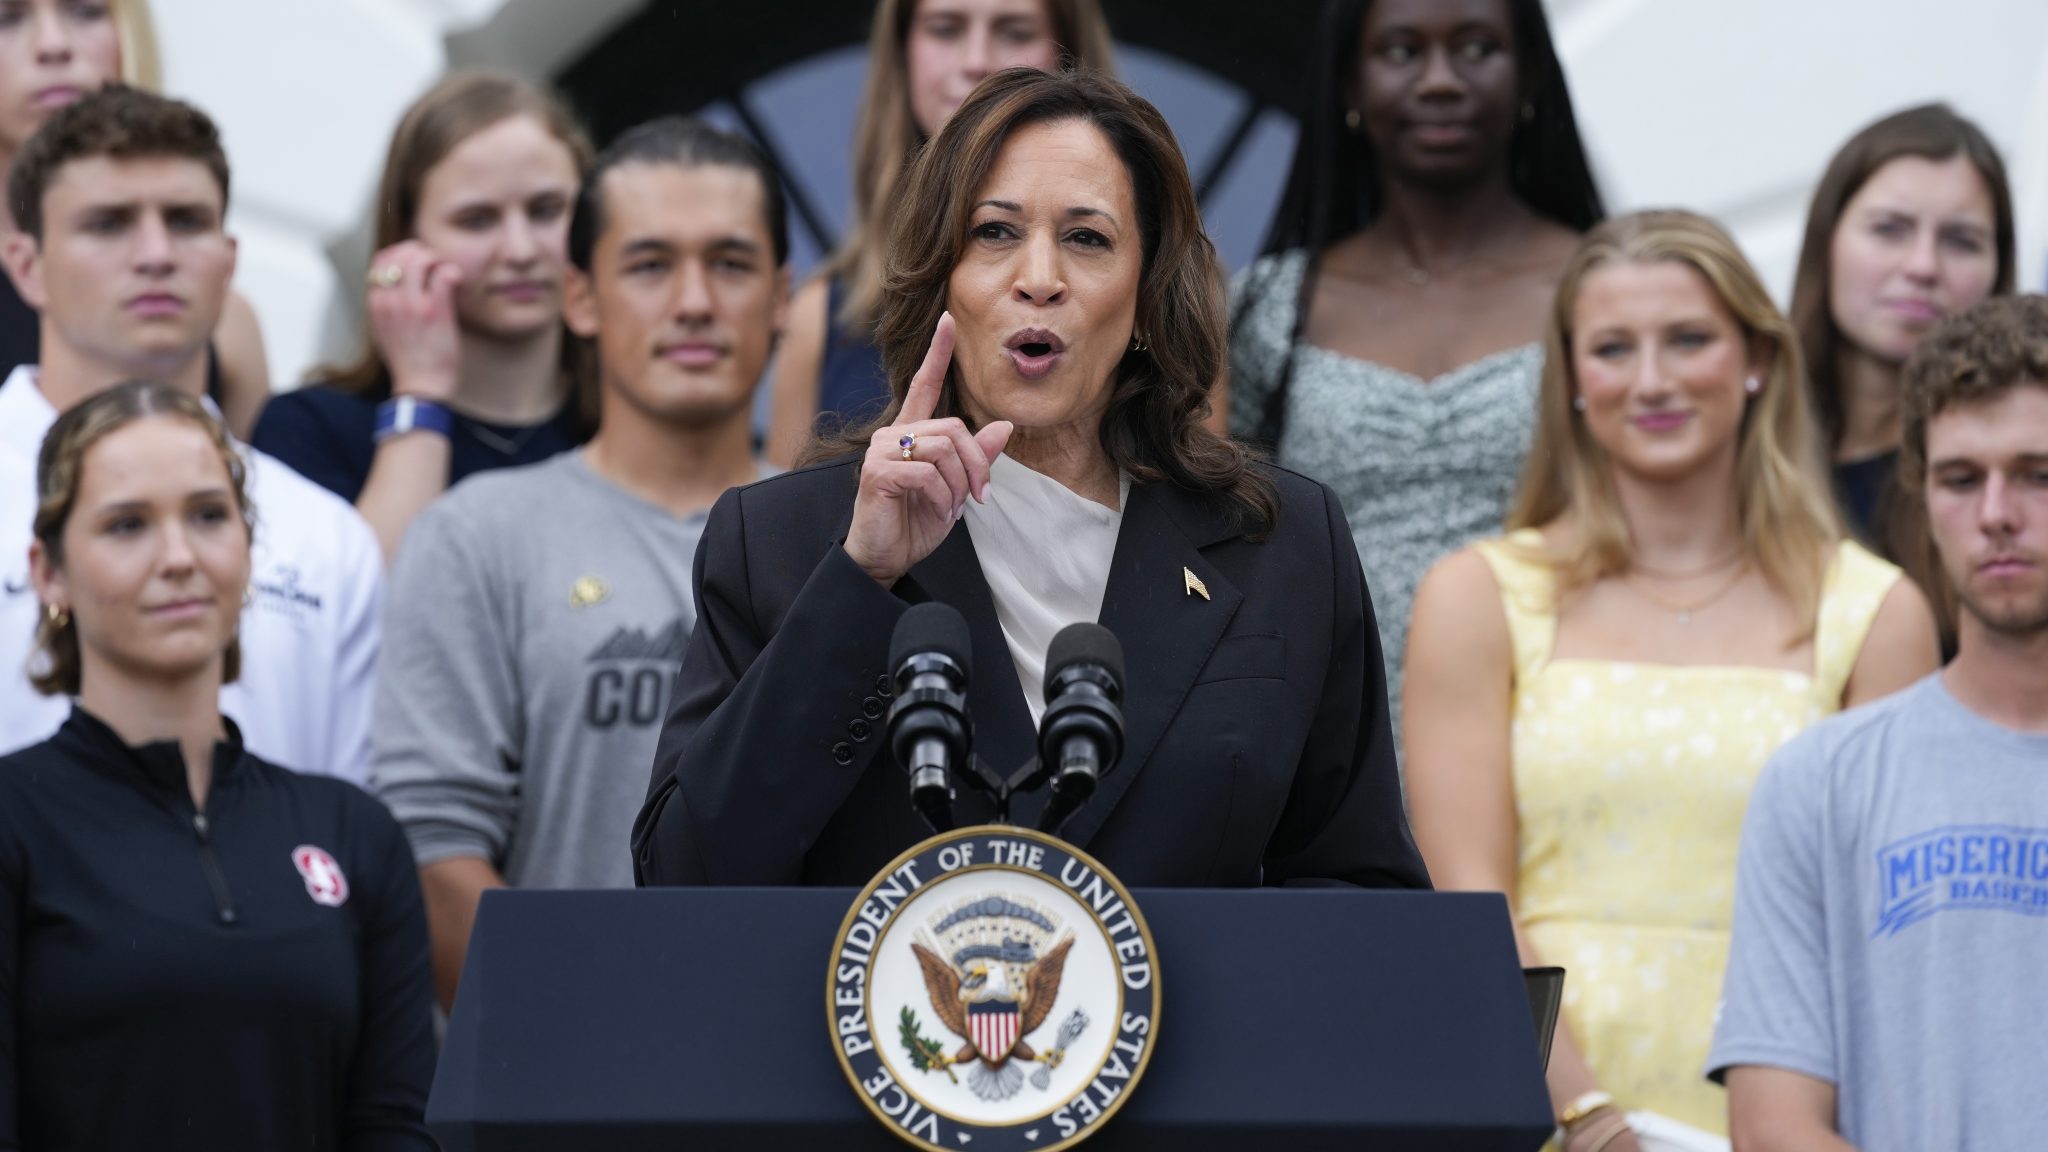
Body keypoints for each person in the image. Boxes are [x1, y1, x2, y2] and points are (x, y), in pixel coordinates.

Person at [634, 67, 1428, 892]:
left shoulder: (1283, 540)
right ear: (940, 277)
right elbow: (684, 878)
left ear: (1149, 294)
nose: (1039, 276)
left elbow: (1360, 892)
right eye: (995, 233)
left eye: (1087, 238)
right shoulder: (780, 542)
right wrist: (859, 580)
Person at [1404, 210, 1938, 1148]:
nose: (1652, 380)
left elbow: (1889, 938)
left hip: (1795, 1116)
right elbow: (1467, 898)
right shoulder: (1478, 596)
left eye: (1688, 339)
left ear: (1756, 358)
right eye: (1613, 348)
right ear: (1572, 380)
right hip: (1533, 1104)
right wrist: (1587, 1115)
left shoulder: (1877, 611)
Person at [374, 116, 786, 1010]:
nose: (692, 302)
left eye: (730, 262)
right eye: (648, 265)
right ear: (580, 298)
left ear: (783, 294)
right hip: (549, 1084)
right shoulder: (477, 534)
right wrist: (591, 1042)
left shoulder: (856, 537)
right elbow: (431, 848)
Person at [0, 381, 435, 1150]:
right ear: (49, 572)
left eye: (207, 516)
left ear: (247, 544)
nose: (178, 558)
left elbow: (395, 1127)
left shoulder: (355, 833)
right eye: (127, 525)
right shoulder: (15, 822)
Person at [1710, 295, 2048, 1151]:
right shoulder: (1819, 781)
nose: (1999, 513)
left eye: (2040, 473)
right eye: (1961, 478)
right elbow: (1773, 1126)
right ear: (1922, 496)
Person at [1228, 0, 1603, 737]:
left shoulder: (1603, 287)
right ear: (1348, 86)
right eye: (1401, 52)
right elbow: (1222, 545)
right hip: (1330, 736)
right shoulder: (1270, 308)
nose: (1439, 81)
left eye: (1477, 48)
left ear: (1529, 74)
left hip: (1559, 724)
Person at [0, 85, 381, 783]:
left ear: (229, 259)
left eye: (186, 221)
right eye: (109, 224)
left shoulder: (324, 536)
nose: (155, 254)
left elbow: (348, 836)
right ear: (26, 265)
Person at [251, 71, 594, 558]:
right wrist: (420, 396)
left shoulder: (633, 420)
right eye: (477, 219)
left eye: (546, 210)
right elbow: (366, 620)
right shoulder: (312, 427)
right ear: (407, 240)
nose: (520, 250)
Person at [762, 0, 1114, 467]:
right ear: (903, 51)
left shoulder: (1152, 298)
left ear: (1071, 57)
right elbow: (785, 531)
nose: (976, 61)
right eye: (946, 29)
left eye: (1015, 31)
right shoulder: (820, 317)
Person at [0, 0, 270, 436]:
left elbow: (257, 491)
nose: (53, 45)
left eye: (86, 11)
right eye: (7, 18)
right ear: (26, 266)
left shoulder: (227, 323)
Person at [1790, 104, 2012, 559]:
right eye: (1889, 229)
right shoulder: (1743, 439)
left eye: (1961, 240)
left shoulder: (2018, 468)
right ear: (1827, 238)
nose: (1923, 266)